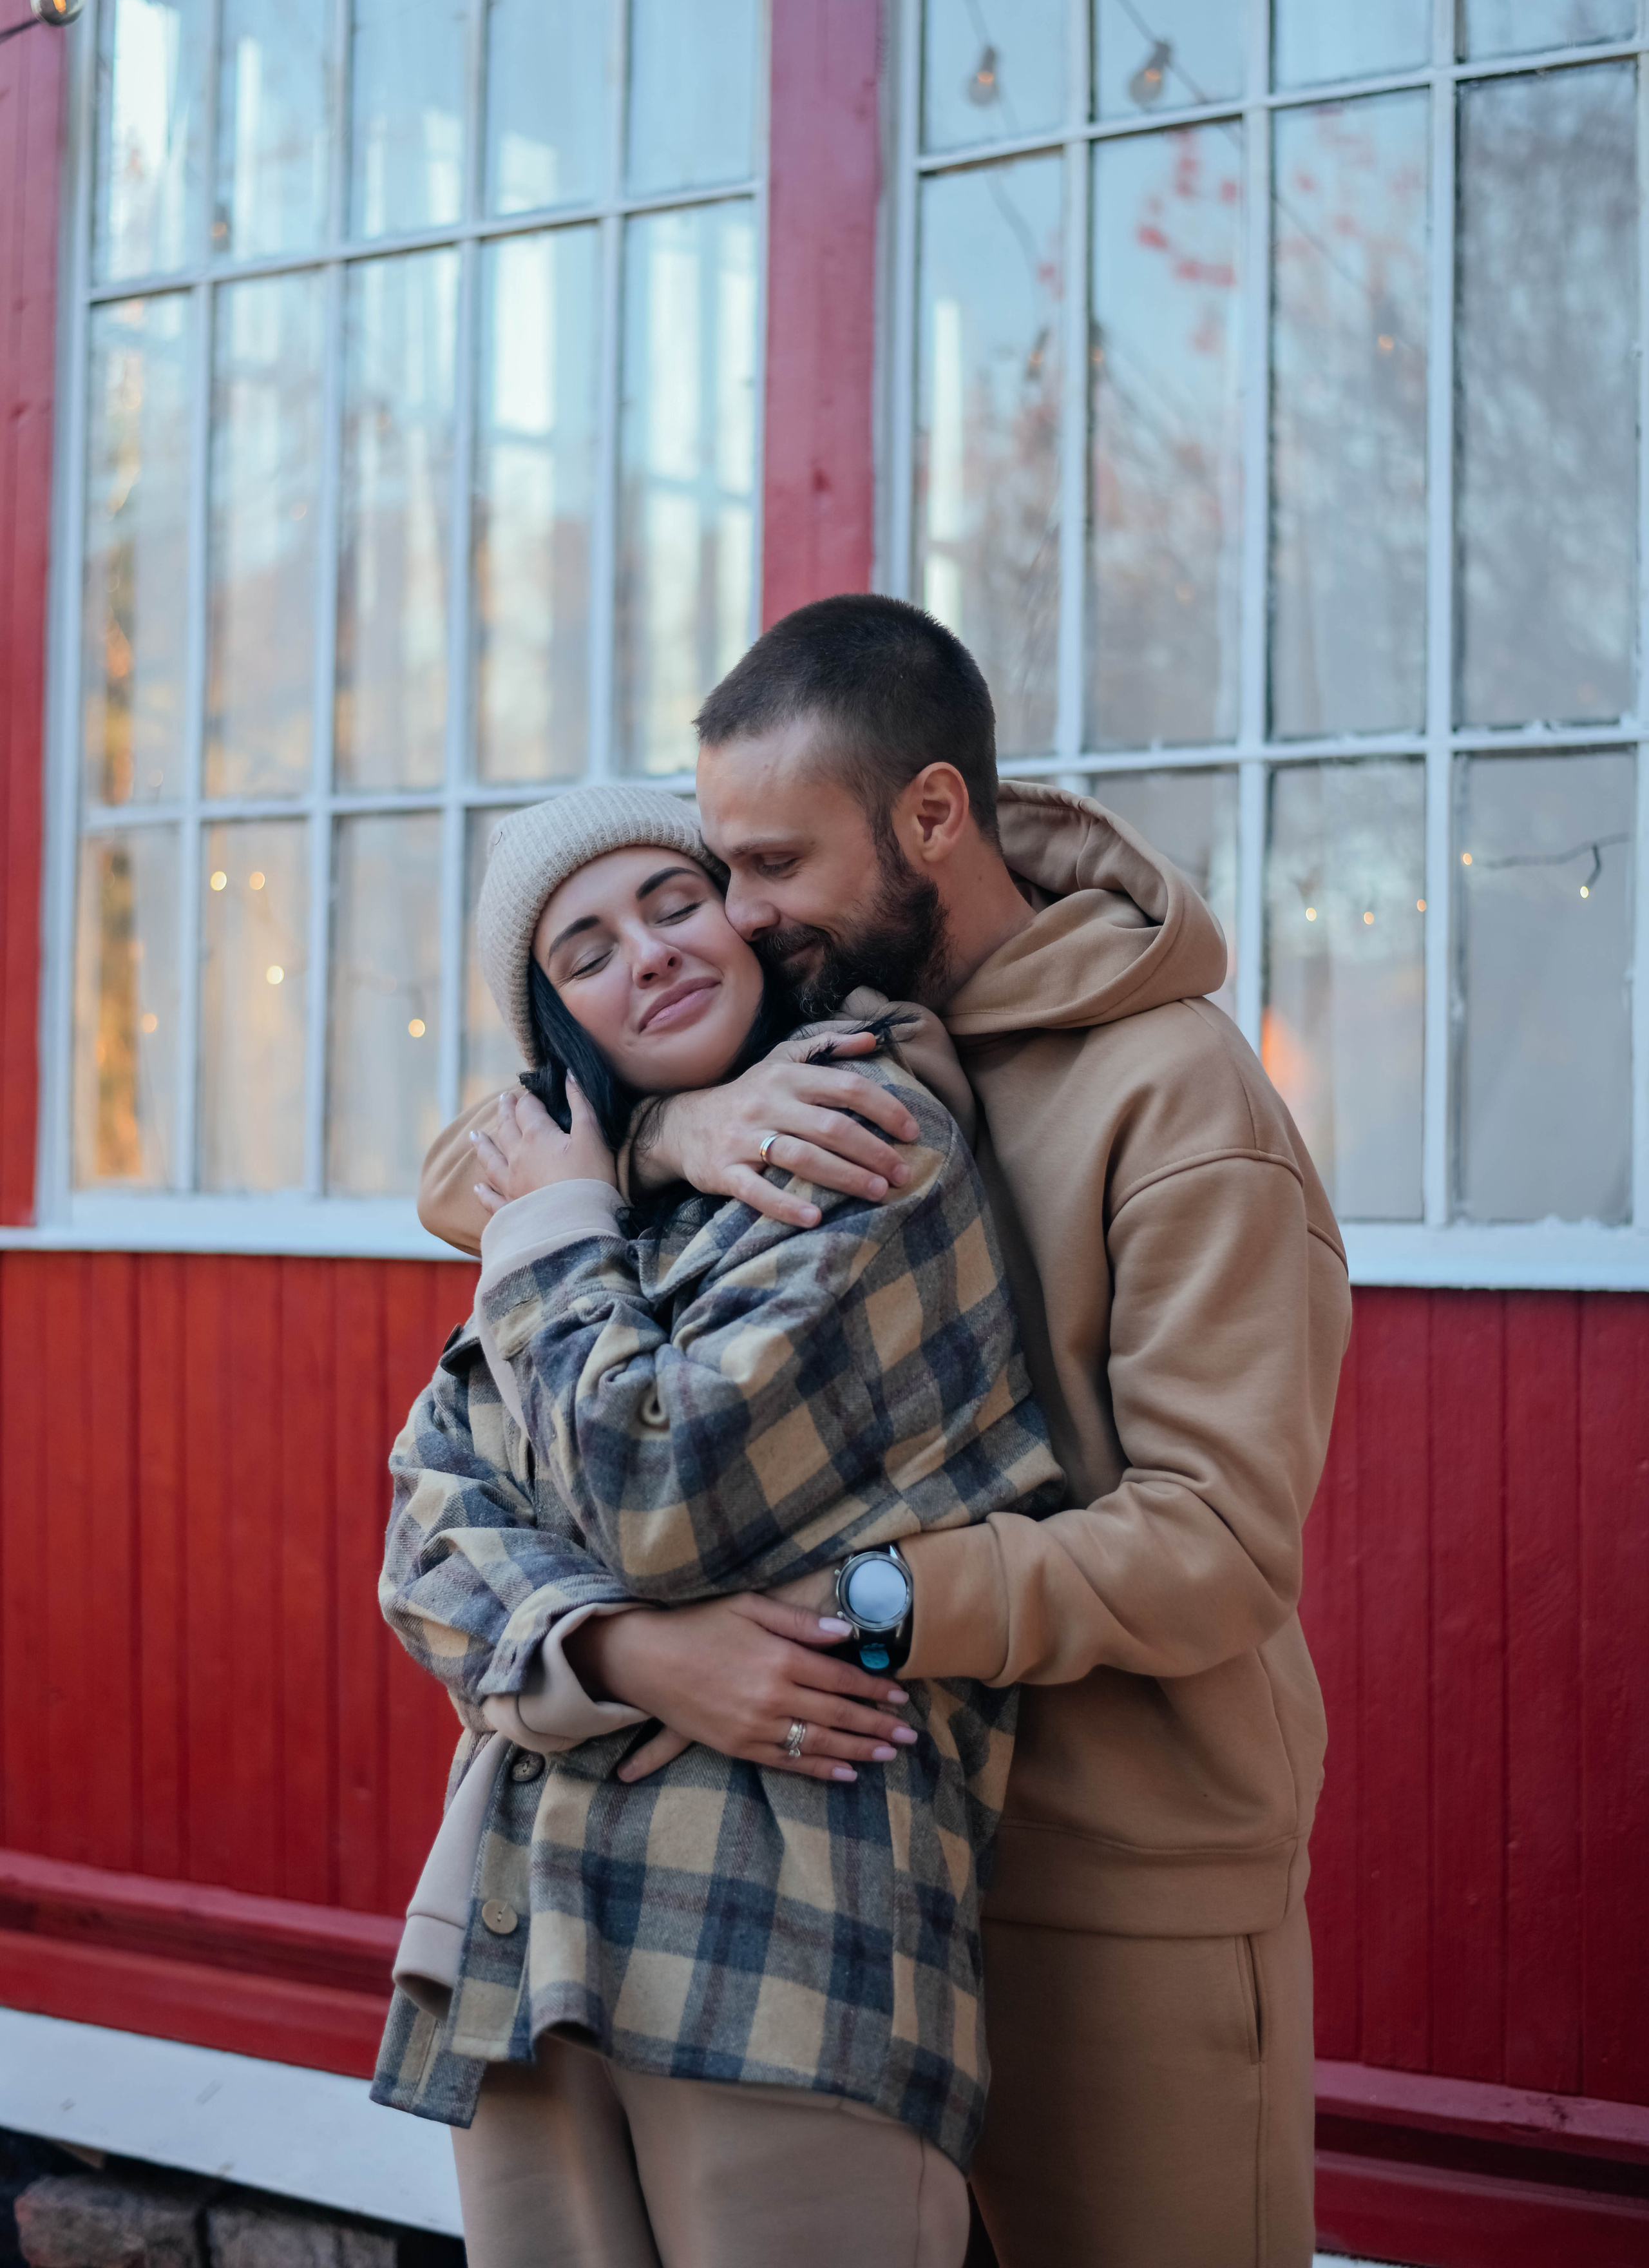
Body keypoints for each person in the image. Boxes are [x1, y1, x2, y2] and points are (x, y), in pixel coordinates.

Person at [421, 602, 1355, 2268]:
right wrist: (669, 1133)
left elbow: (1219, 1546)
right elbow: (476, 1166)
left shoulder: (1180, 1103)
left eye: (765, 867)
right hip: (862, 1869)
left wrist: (866, 1607)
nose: (735, 916)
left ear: (930, 820)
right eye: (722, 867)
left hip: (1106, 1888)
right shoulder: (784, 1047)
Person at [373, 784, 1065, 2268]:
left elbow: (655, 1495)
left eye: (672, 902)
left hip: (773, 1928)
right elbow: (427, 1530)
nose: (650, 953)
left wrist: (553, 1227)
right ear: (556, 1023)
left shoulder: (851, 1132)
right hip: (528, 1926)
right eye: (586, 949)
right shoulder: (598, 1204)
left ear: (747, 920)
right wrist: (626, 1654)